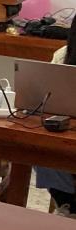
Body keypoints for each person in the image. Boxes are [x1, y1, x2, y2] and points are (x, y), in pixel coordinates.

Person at [37, 27, 76, 216]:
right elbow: (48, 96)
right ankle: (66, 203)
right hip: (67, 128)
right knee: (37, 144)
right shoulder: (64, 54)